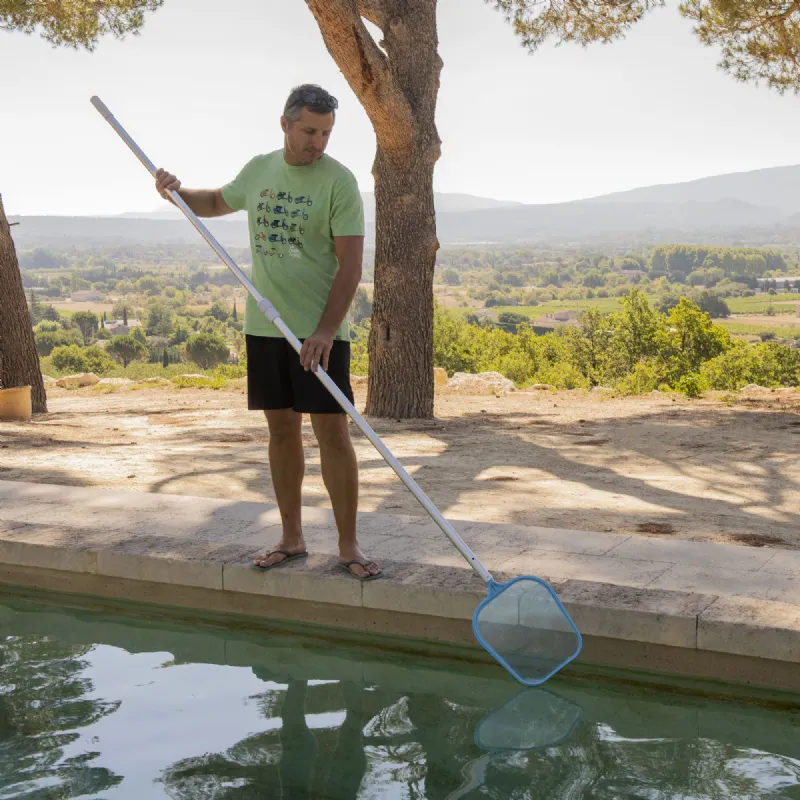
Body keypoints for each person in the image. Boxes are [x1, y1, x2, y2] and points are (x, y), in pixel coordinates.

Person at [154, 84, 381, 581]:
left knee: (333, 434)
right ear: (285, 124)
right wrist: (176, 192)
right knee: (281, 432)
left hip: (321, 333)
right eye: (308, 131)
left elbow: (350, 267)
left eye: (325, 133)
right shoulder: (260, 169)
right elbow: (214, 201)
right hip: (266, 326)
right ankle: (292, 538)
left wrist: (324, 330)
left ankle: (348, 546)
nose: (317, 142)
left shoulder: (339, 183)